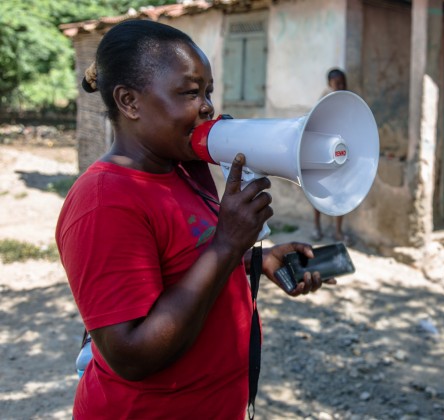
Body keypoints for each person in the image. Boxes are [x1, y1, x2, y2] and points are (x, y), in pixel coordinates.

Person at [56, 20, 333, 419]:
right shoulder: (104, 201)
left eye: (208, 92)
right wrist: (226, 243)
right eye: (189, 92)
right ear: (129, 101)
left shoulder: (181, 171)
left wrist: (257, 257)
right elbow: (131, 355)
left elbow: (182, 261)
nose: (206, 107)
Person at [312, 68, 352, 244]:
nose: (342, 86)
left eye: (343, 83)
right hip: (324, 152)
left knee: (340, 193)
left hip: (341, 152)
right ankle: (317, 227)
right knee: (318, 192)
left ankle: (337, 232)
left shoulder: (349, 101)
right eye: (338, 83)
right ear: (330, 84)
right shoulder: (324, 101)